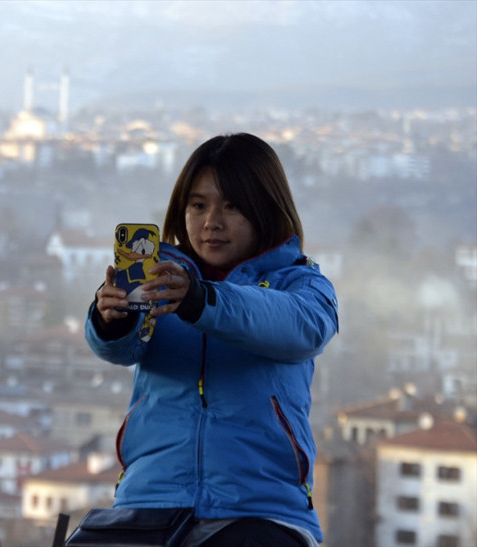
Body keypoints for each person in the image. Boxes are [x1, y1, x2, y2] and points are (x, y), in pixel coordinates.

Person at [85, 133, 339, 546]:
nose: (211, 222)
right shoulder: (161, 277)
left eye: (232, 206)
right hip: (150, 503)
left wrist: (201, 300)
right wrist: (109, 318)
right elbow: (118, 349)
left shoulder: (302, 283)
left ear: (267, 209)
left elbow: (300, 328)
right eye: (198, 205)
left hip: (262, 512)